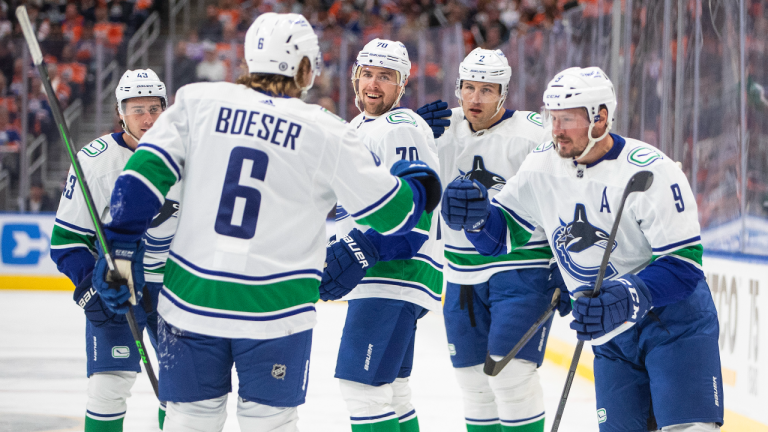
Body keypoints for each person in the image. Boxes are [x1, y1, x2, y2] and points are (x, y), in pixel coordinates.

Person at [90, 13, 441, 432]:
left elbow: (142, 177)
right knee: (269, 423)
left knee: (189, 418)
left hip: (191, 300)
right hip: (278, 306)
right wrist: (419, 182)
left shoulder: (197, 102)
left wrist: (119, 248)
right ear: (307, 69)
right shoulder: (326, 130)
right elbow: (396, 214)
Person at [442, 66, 723, 431]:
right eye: (552, 117)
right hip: (611, 336)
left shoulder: (652, 171)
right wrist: (476, 218)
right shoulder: (542, 166)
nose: (556, 129)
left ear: (601, 117)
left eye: (568, 119)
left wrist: (626, 296)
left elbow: (684, 264)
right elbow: (501, 238)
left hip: (674, 324)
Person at [417, 48, 567, 432]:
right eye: (468, 87)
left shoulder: (534, 134)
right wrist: (412, 132)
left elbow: (564, 197)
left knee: (511, 377)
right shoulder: (438, 129)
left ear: (504, 92)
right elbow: (379, 162)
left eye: (487, 89)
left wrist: (567, 267)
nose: (475, 98)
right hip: (461, 274)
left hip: (523, 271)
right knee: (475, 386)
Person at [50, 68, 176, 431]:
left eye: (154, 109)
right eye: (137, 110)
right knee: (109, 385)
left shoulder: (189, 157)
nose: (148, 119)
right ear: (120, 112)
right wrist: (92, 284)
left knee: (183, 392)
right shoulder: (95, 160)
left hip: (176, 289)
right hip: (119, 284)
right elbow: (67, 242)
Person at [327, 38, 442, 432]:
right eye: (368, 74)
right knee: (392, 391)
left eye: (386, 77)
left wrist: (362, 250)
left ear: (403, 84)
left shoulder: (400, 125)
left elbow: (419, 207)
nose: (374, 85)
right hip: (385, 275)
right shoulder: (358, 127)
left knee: (362, 390)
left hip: (392, 273)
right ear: (355, 77)